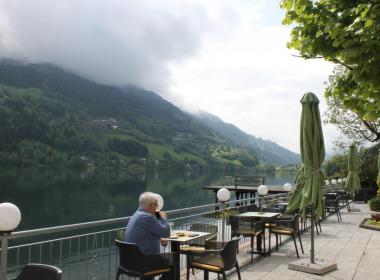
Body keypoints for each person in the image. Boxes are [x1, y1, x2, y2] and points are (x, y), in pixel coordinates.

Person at [124, 192, 172, 279]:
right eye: (156, 204)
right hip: (143, 262)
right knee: (172, 263)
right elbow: (166, 232)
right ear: (150, 205)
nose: (157, 207)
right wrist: (163, 218)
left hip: (129, 262)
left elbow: (145, 234)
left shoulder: (136, 215)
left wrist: (158, 238)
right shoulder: (146, 217)